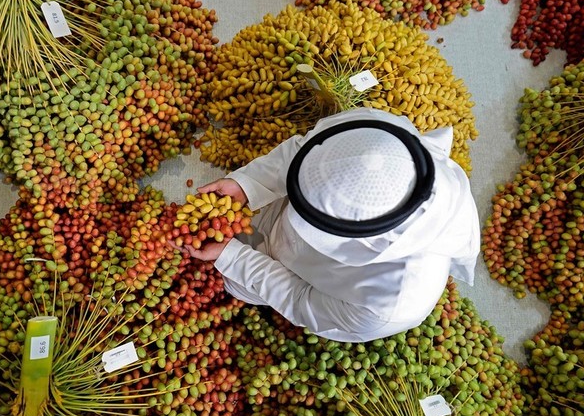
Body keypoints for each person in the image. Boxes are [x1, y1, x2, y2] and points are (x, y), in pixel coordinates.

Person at [182, 107, 480, 343]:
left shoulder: (391, 305)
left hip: (300, 278)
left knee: (237, 284)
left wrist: (233, 258)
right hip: (281, 226)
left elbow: (299, 300)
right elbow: (304, 152)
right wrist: (247, 184)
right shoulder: (369, 131)